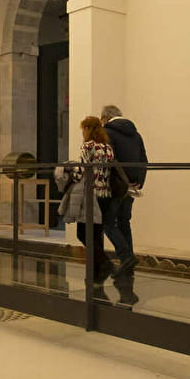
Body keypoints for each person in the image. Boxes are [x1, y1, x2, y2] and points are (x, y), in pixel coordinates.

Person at [69, 116, 116, 283]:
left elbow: (80, 171)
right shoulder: (108, 148)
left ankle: (105, 263)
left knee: (83, 232)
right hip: (105, 194)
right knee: (97, 234)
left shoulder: (88, 146)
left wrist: (70, 174)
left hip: (91, 195)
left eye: (83, 129)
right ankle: (97, 274)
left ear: (88, 129)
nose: (82, 132)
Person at [101, 104, 147, 276]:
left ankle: (126, 256)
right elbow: (144, 159)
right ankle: (128, 262)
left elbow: (110, 160)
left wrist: (121, 182)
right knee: (124, 222)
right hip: (132, 186)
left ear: (105, 118)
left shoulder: (107, 133)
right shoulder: (136, 135)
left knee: (108, 223)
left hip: (116, 186)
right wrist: (138, 182)